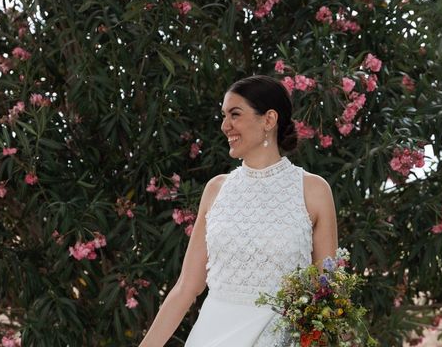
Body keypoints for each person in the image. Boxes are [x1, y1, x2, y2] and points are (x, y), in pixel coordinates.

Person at [139, 75, 338, 347]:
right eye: (223, 115)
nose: (224, 126)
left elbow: (327, 295)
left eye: (235, 114)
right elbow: (187, 286)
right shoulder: (216, 190)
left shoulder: (314, 191)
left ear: (269, 120)